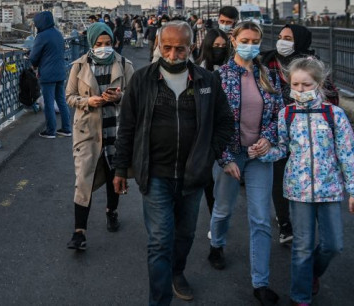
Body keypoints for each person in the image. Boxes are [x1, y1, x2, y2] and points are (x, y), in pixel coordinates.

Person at [113, 21, 234, 305]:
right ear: (158, 45)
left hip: (193, 176)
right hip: (155, 173)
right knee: (159, 241)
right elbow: (127, 127)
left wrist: (209, 152)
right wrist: (120, 168)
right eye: (166, 47)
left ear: (191, 48)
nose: (172, 54)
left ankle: (177, 272)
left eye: (180, 48)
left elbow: (225, 122)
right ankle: (160, 299)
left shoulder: (207, 81)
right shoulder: (142, 80)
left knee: (185, 234)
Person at [260, 56, 354, 305]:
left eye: (306, 85)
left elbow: (348, 154)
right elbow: (282, 150)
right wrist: (263, 153)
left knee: (333, 245)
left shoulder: (334, 115)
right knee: (302, 248)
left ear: (318, 83)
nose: (300, 90)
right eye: (296, 85)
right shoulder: (287, 114)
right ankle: (300, 297)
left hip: (330, 191)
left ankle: (311, 274)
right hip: (298, 192)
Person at [209, 21, 283, 306]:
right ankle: (216, 245)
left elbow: (278, 113)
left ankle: (260, 283)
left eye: (255, 40)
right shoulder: (220, 76)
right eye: (245, 39)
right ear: (233, 39)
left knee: (261, 218)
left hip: (259, 155)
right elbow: (212, 122)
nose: (250, 45)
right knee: (223, 209)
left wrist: (267, 138)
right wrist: (225, 158)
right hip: (231, 155)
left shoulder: (267, 75)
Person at [260, 24, 340, 246]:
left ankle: (308, 223)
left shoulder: (312, 65)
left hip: (308, 133)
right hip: (278, 127)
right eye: (280, 37)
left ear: (301, 41)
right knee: (278, 173)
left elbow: (330, 94)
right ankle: (285, 224)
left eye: (289, 38)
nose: (282, 41)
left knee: (302, 178)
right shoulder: (268, 62)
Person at [65, 23, 135, 251]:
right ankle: (79, 232)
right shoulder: (79, 66)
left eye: (107, 44)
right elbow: (70, 97)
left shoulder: (124, 65)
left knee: (114, 174)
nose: (104, 48)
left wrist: (120, 97)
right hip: (87, 131)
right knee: (83, 178)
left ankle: (111, 211)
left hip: (115, 129)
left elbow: (136, 99)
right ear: (91, 44)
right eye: (99, 44)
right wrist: (88, 102)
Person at [195, 28, 231, 220]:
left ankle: (220, 217)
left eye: (223, 46)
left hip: (225, 129)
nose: (219, 49)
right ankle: (214, 218)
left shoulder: (231, 68)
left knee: (223, 180)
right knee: (209, 180)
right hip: (206, 132)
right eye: (216, 46)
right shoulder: (198, 69)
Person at [29, 11, 72, 139]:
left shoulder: (41, 36)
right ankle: (66, 128)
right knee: (61, 101)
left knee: (48, 103)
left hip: (47, 74)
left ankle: (50, 130)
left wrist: (32, 60)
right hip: (60, 72)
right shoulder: (58, 34)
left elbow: (34, 57)